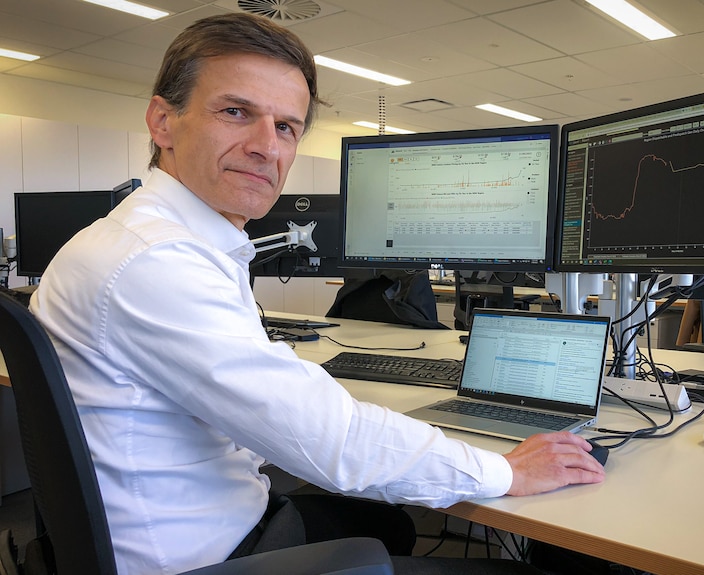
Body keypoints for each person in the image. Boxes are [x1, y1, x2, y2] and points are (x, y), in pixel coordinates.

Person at [30, 12, 605, 575]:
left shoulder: (158, 237)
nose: (266, 146)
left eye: (286, 127)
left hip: (176, 523)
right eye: (236, 112)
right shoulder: (157, 260)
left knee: (394, 526)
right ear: (162, 121)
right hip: (197, 555)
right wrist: (505, 471)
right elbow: (332, 440)